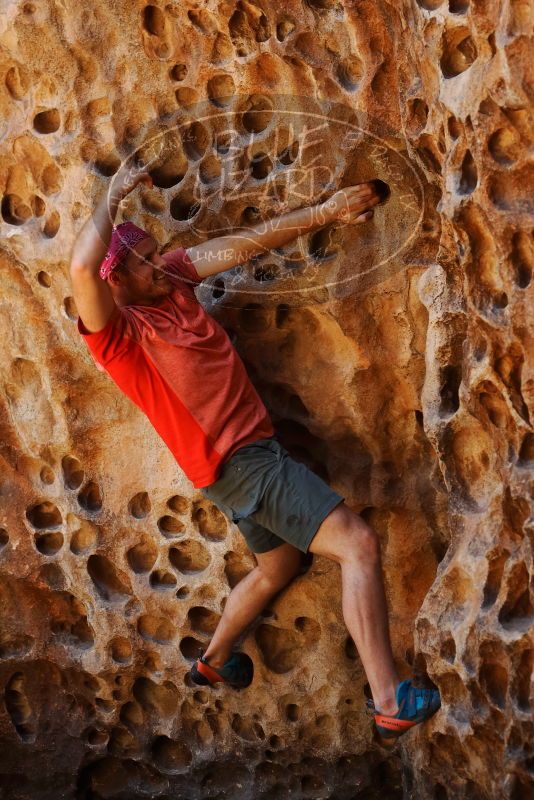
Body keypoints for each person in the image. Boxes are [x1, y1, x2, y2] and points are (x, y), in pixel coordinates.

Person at [69, 163, 440, 743]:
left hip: (237, 471)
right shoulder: (120, 338)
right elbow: (78, 267)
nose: (155, 262)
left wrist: (328, 211)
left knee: (279, 566)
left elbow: (245, 244)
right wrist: (111, 198)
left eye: (153, 252)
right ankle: (390, 700)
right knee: (359, 546)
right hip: (246, 466)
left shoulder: (174, 278)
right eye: (139, 262)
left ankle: (214, 660)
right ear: (116, 283)